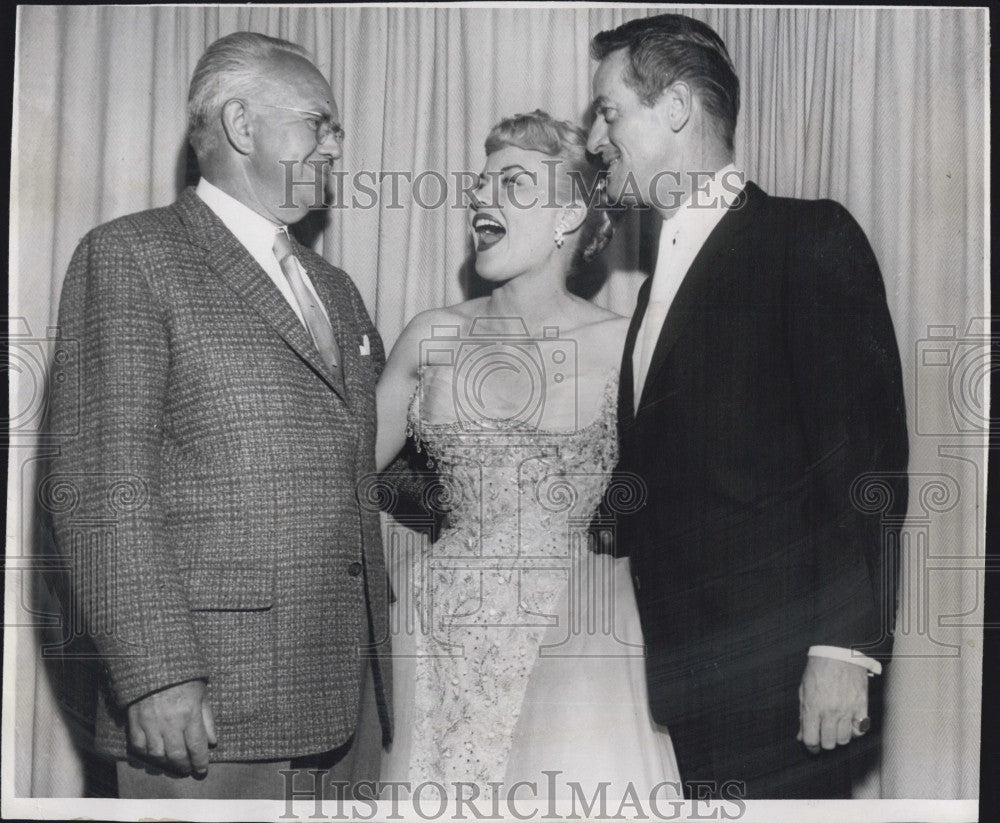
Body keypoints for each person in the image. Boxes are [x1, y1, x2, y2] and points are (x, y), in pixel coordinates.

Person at [46, 32, 391, 799]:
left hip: (346, 698)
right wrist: (157, 674)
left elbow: (358, 471)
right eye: (319, 122)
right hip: (207, 710)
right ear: (242, 126)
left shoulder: (335, 288)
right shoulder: (131, 256)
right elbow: (101, 488)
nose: (337, 142)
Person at [586, 14, 909, 798]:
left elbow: (863, 459)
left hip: (783, 676)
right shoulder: (652, 281)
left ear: (675, 109)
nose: (595, 139)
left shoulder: (807, 237)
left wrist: (844, 646)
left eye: (608, 110)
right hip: (680, 684)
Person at [375, 111, 679, 800]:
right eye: (480, 185)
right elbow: (334, 473)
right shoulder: (432, 336)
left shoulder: (629, 342)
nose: (481, 199)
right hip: (437, 634)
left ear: (569, 212)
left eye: (511, 183)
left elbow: (686, 493)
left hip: (576, 639)